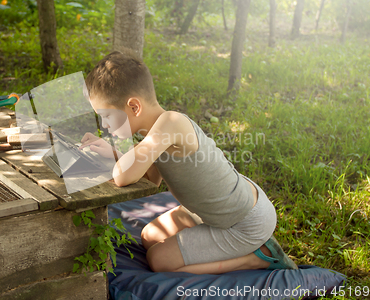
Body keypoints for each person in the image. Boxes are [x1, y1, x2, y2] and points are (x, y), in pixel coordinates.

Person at [79, 51, 298, 274]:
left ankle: (257, 258)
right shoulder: (153, 134)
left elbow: (123, 176)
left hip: (244, 222)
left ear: (134, 107)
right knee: (148, 236)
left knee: (159, 260)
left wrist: (118, 160)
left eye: (106, 116)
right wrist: (115, 154)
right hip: (214, 211)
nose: (105, 125)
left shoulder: (171, 123)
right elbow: (151, 182)